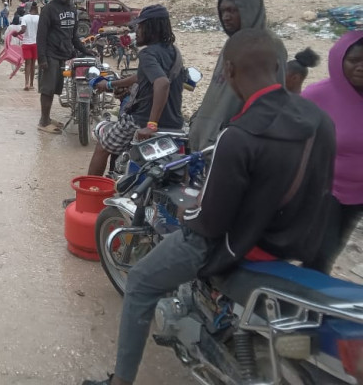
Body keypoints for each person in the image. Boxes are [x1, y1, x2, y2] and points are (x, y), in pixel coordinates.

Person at [82, 29, 335, 385]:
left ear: (228, 71)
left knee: (140, 280)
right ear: (279, 66)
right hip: (294, 244)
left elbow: (210, 223)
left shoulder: (239, 134)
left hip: (239, 247)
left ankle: (121, 381)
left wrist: (190, 211)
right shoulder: (319, 120)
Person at [188, 0, 288, 152]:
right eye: (222, 11)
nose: (226, 17)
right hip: (206, 143)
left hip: (232, 145)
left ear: (250, 9)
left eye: (232, 10)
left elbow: (271, 106)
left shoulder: (269, 46)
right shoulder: (232, 44)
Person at [87, 5, 184, 175]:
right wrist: (111, 85)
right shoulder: (174, 52)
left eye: (140, 26)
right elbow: (140, 77)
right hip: (174, 123)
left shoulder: (147, 54)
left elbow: (161, 83)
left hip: (141, 120)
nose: (136, 30)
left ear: (151, 28)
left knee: (102, 147)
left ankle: (89, 197)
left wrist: (151, 125)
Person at [303, 31, 363, 273]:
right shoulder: (318, 95)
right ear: (339, 60)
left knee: (334, 248)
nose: (360, 68)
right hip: (327, 192)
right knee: (319, 255)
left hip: (358, 195)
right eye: (354, 61)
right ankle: (298, 303)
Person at [36, 0, 93, 134]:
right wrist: (42, 58)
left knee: (56, 88)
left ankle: (47, 118)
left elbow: (73, 36)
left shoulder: (73, 10)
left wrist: (85, 50)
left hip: (64, 55)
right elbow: (41, 35)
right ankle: (43, 121)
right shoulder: (49, 9)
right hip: (50, 54)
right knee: (47, 89)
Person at [19, 2, 40, 91]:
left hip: (26, 43)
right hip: (35, 43)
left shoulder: (25, 17)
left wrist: (17, 33)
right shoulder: (39, 18)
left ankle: (26, 83)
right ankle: (31, 84)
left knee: (27, 64)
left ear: (29, 9)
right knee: (33, 64)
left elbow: (23, 29)